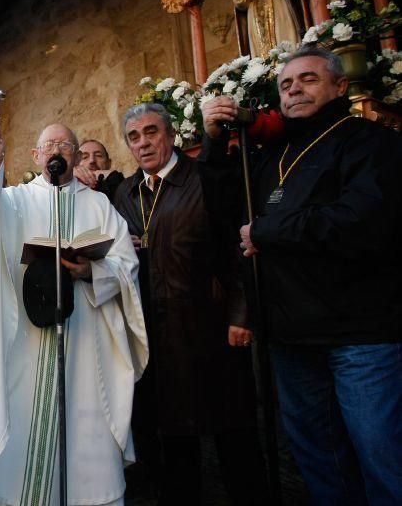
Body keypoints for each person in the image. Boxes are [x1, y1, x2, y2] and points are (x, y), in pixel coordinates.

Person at [200, 44, 402, 505]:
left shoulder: (370, 141)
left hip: (360, 333)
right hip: (291, 336)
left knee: (382, 457)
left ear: (340, 85)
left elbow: (362, 220)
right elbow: (226, 206)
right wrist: (213, 144)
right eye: (287, 84)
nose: (295, 90)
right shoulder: (272, 151)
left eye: (308, 79)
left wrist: (269, 232)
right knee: (319, 459)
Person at [0, 123, 148, 505]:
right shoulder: (13, 200)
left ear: (76, 156)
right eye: (49, 145)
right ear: (36, 156)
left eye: (65, 144)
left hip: (84, 336)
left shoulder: (98, 205)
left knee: (83, 423)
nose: (56, 150)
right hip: (23, 342)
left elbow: (126, 265)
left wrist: (91, 271)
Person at [113, 103, 266, 504]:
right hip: (158, 337)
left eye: (151, 132)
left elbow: (238, 248)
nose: (143, 143)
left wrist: (240, 313)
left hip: (211, 328)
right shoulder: (124, 194)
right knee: (175, 442)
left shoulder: (205, 178)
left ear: (172, 134)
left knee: (235, 436)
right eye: (134, 137)